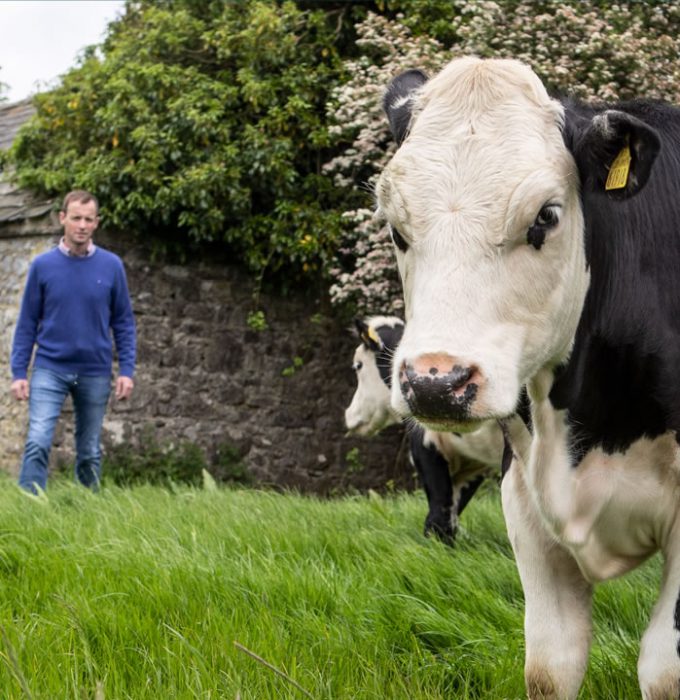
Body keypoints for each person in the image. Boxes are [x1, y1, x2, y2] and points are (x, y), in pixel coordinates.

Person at [10, 190, 136, 493]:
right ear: (62, 218)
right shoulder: (43, 266)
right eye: (76, 218)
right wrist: (18, 373)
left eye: (88, 219)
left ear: (96, 223)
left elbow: (123, 322)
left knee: (90, 449)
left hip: (95, 370)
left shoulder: (112, 266)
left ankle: (86, 510)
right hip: (49, 368)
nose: (82, 225)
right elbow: (27, 322)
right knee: (38, 439)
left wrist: (127, 371)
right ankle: (30, 508)